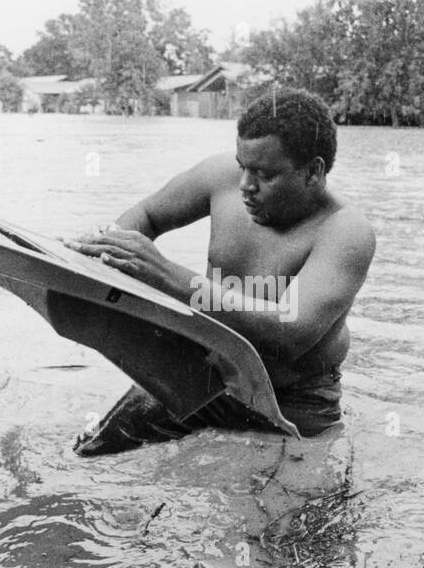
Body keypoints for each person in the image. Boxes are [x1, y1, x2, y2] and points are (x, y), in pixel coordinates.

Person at [65, 86, 375, 455]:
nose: (245, 185)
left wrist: (163, 273)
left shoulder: (346, 231)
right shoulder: (222, 176)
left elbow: (291, 332)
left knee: (291, 507)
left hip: (294, 403)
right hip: (205, 374)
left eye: (264, 174)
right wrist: (107, 250)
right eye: (243, 166)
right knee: (88, 453)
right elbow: (146, 217)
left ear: (313, 171)